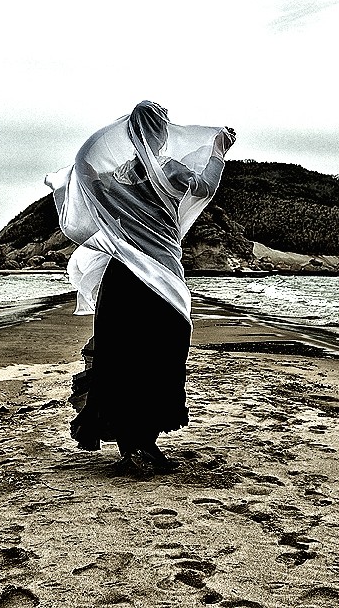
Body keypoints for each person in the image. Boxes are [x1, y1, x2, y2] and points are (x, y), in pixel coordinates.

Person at [45, 100, 235, 473]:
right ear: (161, 133)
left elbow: (89, 180)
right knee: (161, 353)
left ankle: (132, 444)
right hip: (159, 275)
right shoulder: (171, 170)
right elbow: (206, 186)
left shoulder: (120, 177)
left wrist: (72, 174)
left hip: (123, 275)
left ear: (131, 134)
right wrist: (217, 150)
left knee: (122, 354)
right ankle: (142, 442)